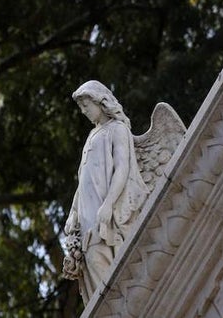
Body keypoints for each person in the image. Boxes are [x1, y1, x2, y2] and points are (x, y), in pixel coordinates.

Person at [62, 80, 147, 302]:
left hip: (104, 212)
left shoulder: (117, 129)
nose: (84, 111)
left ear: (100, 101)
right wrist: (73, 213)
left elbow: (123, 168)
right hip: (86, 215)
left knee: (100, 258)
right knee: (90, 262)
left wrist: (109, 204)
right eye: (81, 108)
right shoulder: (92, 135)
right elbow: (83, 180)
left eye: (86, 105)